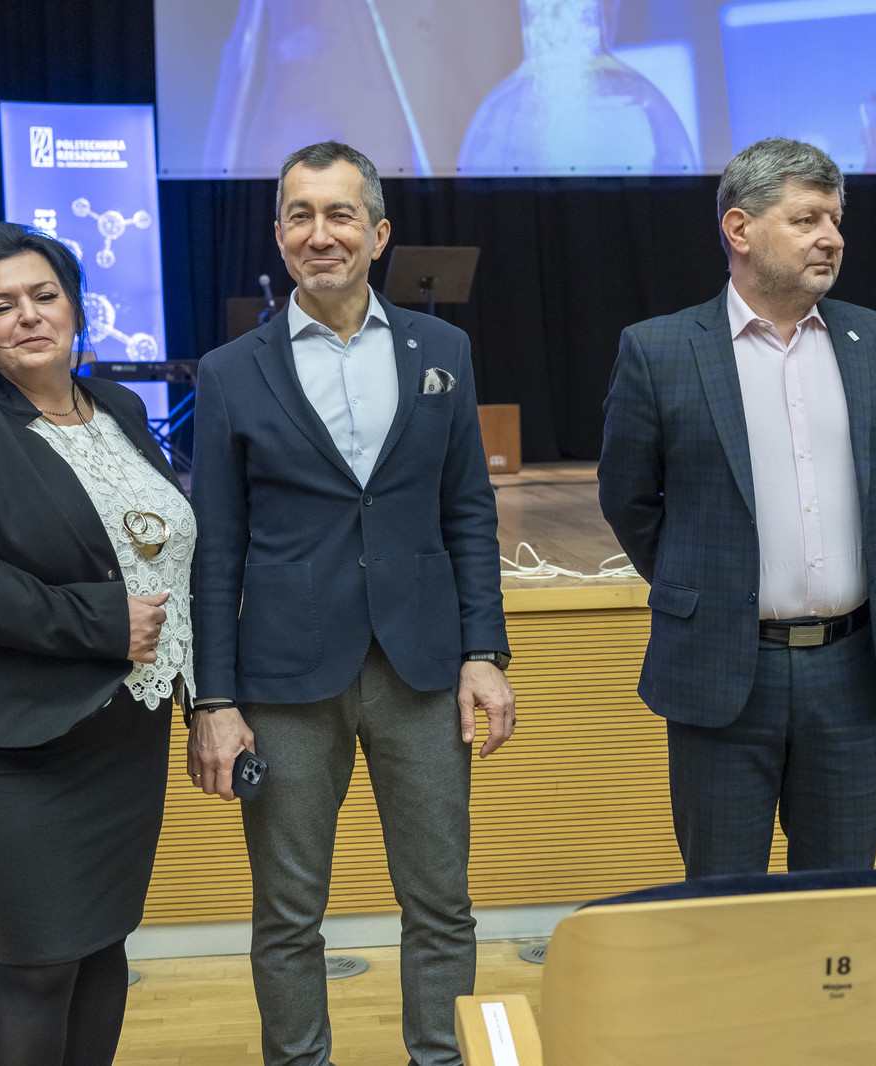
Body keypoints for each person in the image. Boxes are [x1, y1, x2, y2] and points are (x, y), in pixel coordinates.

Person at [188, 140, 515, 1066]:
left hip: (423, 670)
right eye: (300, 214)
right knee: (289, 914)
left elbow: (467, 510)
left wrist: (484, 650)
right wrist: (215, 700)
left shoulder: (441, 350)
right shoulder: (230, 371)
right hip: (284, 680)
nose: (320, 233)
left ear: (378, 233)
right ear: (279, 234)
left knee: (440, 904)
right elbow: (217, 550)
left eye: (340, 214)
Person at [0, 223, 194, 1066]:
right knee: (39, 960)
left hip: (124, 730)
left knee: (102, 942)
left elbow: (165, 551)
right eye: (2, 305)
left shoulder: (121, 410)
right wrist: (104, 622)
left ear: (76, 309)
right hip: (12, 738)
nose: (27, 316)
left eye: (44, 295)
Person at [598, 137, 876, 879]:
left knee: (840, 900)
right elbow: (629, 500)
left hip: (851, 671)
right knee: (722, 905)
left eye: (835, 221)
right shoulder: (659, 350)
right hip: (720, 669)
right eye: (807, 220)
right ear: (739, 229)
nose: (831, 238)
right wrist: (706, 588)